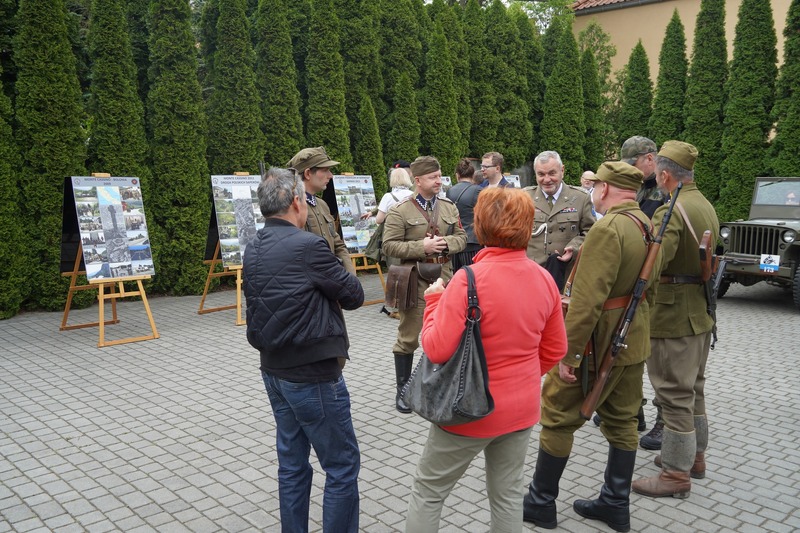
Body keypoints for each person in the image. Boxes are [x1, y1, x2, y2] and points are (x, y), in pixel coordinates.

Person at [405, 187, 567, 533]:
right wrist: (520, 377)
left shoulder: (467, 280)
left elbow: (435, 348)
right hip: (520, 410)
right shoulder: (544, 279)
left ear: (480, 225)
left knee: (429, 490)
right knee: (508, 495)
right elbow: (555, 349)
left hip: (468, 409)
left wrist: (434, 302)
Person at [522, 162, 655, 533]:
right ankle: (615, 503)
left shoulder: (609, 227)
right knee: (623, 419)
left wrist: (569, 354)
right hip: (632, 339)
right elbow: (651, 290)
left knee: (558, 416)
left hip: (598, 342)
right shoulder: (646, 224)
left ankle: (540, 503)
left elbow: (586, 301)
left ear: (607, 187)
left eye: (597, 185)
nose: (593, 190)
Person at [243, 168, 364, 532]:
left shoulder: (254, 246)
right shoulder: (308, 246)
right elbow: (354, 295)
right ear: (297, 202)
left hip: (274, 371)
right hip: (312, 371)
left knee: (292, 464)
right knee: (341, 466)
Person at [632, 141, 720, 499]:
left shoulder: (669, 210)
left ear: (665, 174)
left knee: (673, 395)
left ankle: (675, 474)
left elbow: (653, 265)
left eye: (657, 174)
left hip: (672, 317)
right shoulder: (704, 204)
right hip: (699, 313)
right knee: (692, 390)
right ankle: (693, 458)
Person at [382, 156, 467, 413]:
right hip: (415, 281)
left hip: (446, 278)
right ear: (417, 180)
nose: (439, 181)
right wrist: (423, 247)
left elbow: (462, 237)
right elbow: (388, 245)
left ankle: (440, 387)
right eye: (433, 177)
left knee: (449, 334)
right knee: (409, 337)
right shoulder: (401, 210)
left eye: (440, 176)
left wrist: (446, 244)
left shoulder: (449, 206)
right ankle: (403, 390)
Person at [524, 151, 595, 289]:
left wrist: (574, 248)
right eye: (541, 174)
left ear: (562, 170)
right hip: (531, 276)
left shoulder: (580, 198)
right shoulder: (524, 197)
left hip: (566, 275)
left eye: (552, 173)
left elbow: (591, 231)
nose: (547, 179)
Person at [287, 146, 356, 275]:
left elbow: (338, 245)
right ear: (308, 173)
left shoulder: (322, 204)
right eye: (325, 170)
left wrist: (350, 278)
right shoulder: (290, 207)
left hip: (333, 282)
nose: (330, 176)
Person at [446, 158, 482, 271]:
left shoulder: (449, 191)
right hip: (473, 241)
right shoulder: (478, 190)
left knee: (457, 277)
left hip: (455, 240)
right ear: (473, 175)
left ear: (457, 175)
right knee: (473, 277)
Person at [621, 136, 666, 219]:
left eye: (633, 164)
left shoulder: (666, 188)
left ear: (649, 159)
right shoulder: (631, 185)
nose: (629, 169)